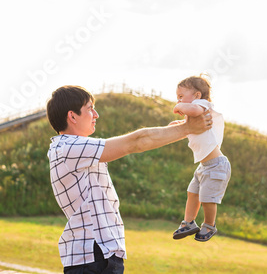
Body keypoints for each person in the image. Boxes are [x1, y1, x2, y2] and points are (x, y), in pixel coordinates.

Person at [46, 85, 212, 274]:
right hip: (92, 256)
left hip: (101, 254)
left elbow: (140, 140)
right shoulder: (68, 148)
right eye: (90, 108)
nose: (96, 114)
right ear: (72, 116)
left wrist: (174, 131)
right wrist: (187, 128)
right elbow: (136, 142)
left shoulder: (76, 149)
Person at [170, 75, 231, 242]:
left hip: (216, 165)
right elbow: (190, 129)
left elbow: (195, 111)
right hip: (203, 166)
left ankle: (209, 224)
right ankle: (188, 222)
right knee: (192, 193)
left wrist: (180, 106)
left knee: (207, 198)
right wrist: (179, 125)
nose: (179, 100)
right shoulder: (194, 115)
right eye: (178, 98)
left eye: (181, 96)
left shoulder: (202, 105)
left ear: (197, 95)